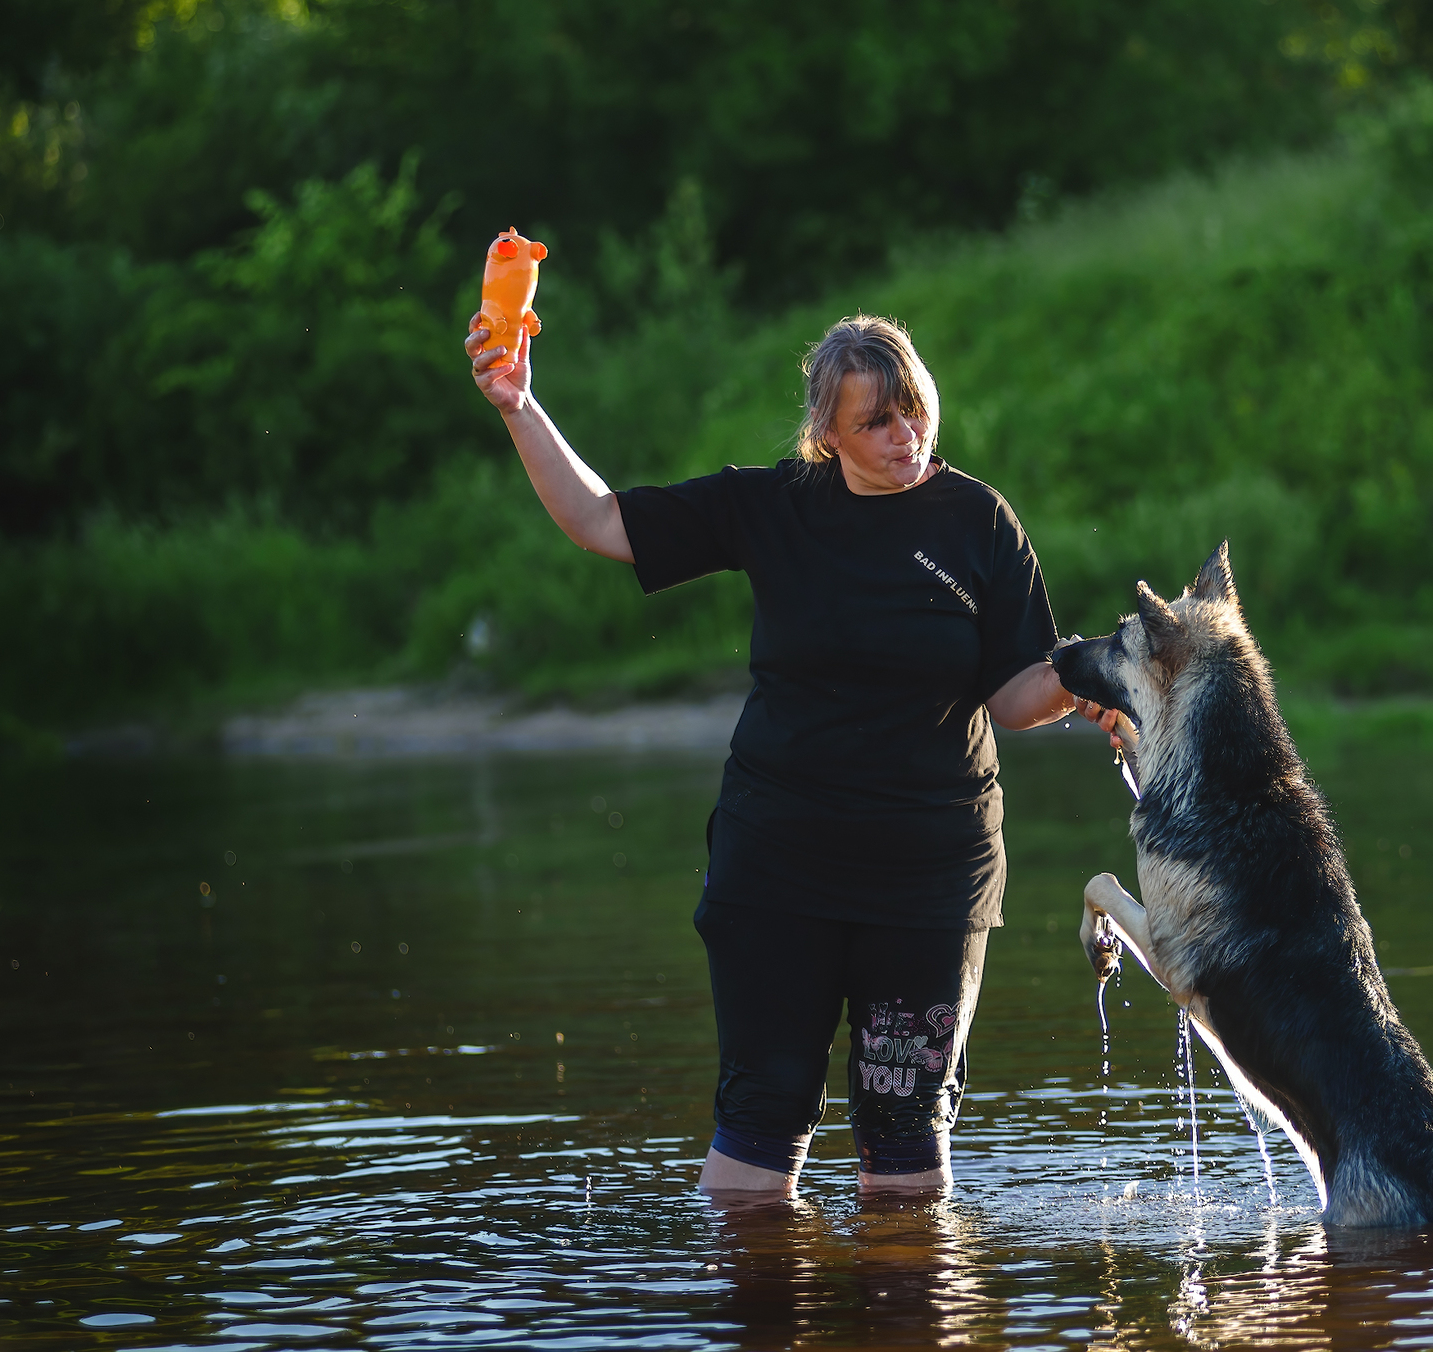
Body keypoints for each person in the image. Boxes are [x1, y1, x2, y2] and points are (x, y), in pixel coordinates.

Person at [467, 310, 1118, 1197]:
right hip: (776, 867)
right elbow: (599, 521)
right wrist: (519, 405)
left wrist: (1088, 673)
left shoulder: (979, 522)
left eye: (915, 410)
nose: (907, 437)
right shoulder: (768, 505)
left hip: (928, 876)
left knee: (905, 1149)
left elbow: (1012, 696)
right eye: (876, 423)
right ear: (827, 435)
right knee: (759, 1128)